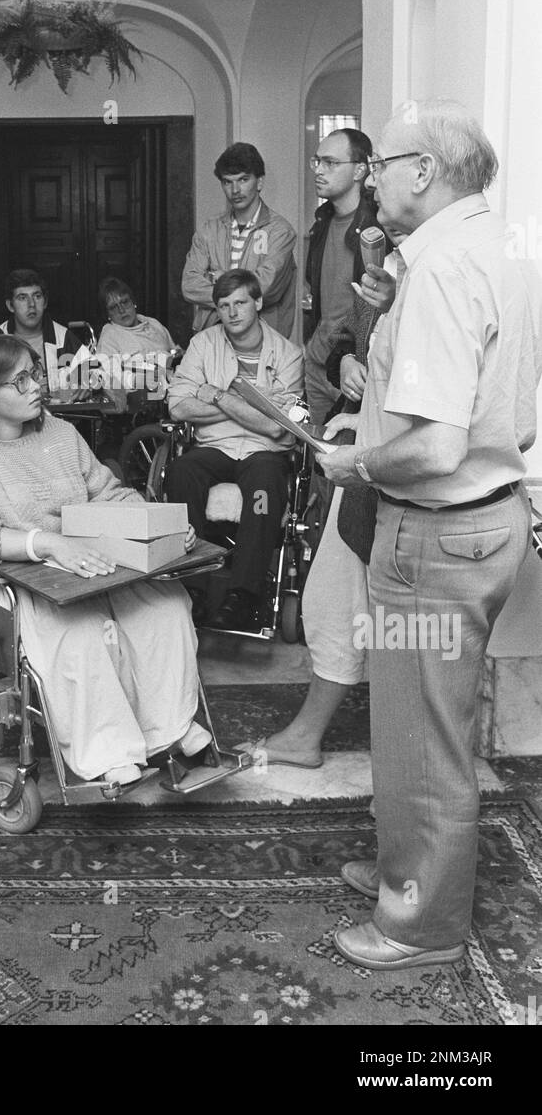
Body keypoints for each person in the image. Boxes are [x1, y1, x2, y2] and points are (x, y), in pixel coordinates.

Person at [318, 100, 542, 970]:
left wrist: (359, 465)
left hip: (435, 536)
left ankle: (420, 925)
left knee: (423, 735)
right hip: (484, 525)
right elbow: (499, 413)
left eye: (385, 161)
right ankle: (400, 868)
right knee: (419, 721)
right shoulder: (499, 249)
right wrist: (389, 302)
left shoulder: (445, 267)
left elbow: (440, 442)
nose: (371, 174)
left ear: (425, 171)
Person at [0, 334, 210, 785]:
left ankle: (166, 730)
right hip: (12, 574)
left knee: (165, 607)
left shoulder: (59, 433)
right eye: (19, 381)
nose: (36, 385)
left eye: (35, 372)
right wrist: (49, 544)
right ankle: (107, 750)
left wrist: (158, 525)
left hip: (88, 559)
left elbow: (105, 491)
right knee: (85, 633)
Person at [259, 254, 398, 768]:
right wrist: (345, 366)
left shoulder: (442, 275)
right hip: (365, 463)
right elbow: (350, 339)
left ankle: (398, 764)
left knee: (399, 625)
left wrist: (365, 428)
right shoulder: (386, 259)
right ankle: (310, 735)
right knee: (334, 601)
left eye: (381, 168)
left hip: (398, 476)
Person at [165, 269, 305, 630]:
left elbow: (277, 426)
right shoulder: (203, 345)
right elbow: (178, 406)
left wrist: (213, 394)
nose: (233, 312)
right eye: (224, 305)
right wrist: (252, 406)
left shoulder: (288, 354)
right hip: (216, 446)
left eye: (240, 302)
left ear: (257, 302)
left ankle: (243, 595)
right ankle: (191, 587)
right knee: (183, 470)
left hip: (264, 452)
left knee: (263, 491)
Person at [304, 127, 380, 425]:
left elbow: (375, 306)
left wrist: (351, 357)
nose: (319, 171)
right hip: (317, 362)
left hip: (354, 368)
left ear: (360, 170)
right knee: (320, 460)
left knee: (351, 459)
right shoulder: (321, 223)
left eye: (331, 163)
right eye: (317, 162)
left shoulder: (377, 226)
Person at [181, 142, 297, 338]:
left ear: (259, 182)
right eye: (227, 182)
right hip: (213, 337)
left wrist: (218, 277)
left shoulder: (280, 231)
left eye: (243, 179)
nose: (235, 189)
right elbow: (190, 285)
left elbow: (265, 288)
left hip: (262, 340)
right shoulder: (209, 229)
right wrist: (243, 288)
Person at [0, 268, 90, 395]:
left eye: (37, 296)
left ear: (45, 302)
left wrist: (86, 385)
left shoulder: (63, 337)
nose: (31, 304)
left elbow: (95, 371)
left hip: (58, 413)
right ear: (10, 306)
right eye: (22, 297)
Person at [96, 275, 182, 398]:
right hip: (142, 399)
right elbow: (111, 380)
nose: (121, 310)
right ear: (107, 314)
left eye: (124, 302)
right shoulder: (109, 336)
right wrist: (141, 379)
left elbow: (173, 353)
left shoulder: (153, 324)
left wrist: (177, 354)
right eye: (113, 307)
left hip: (173, 389)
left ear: (133, 302)